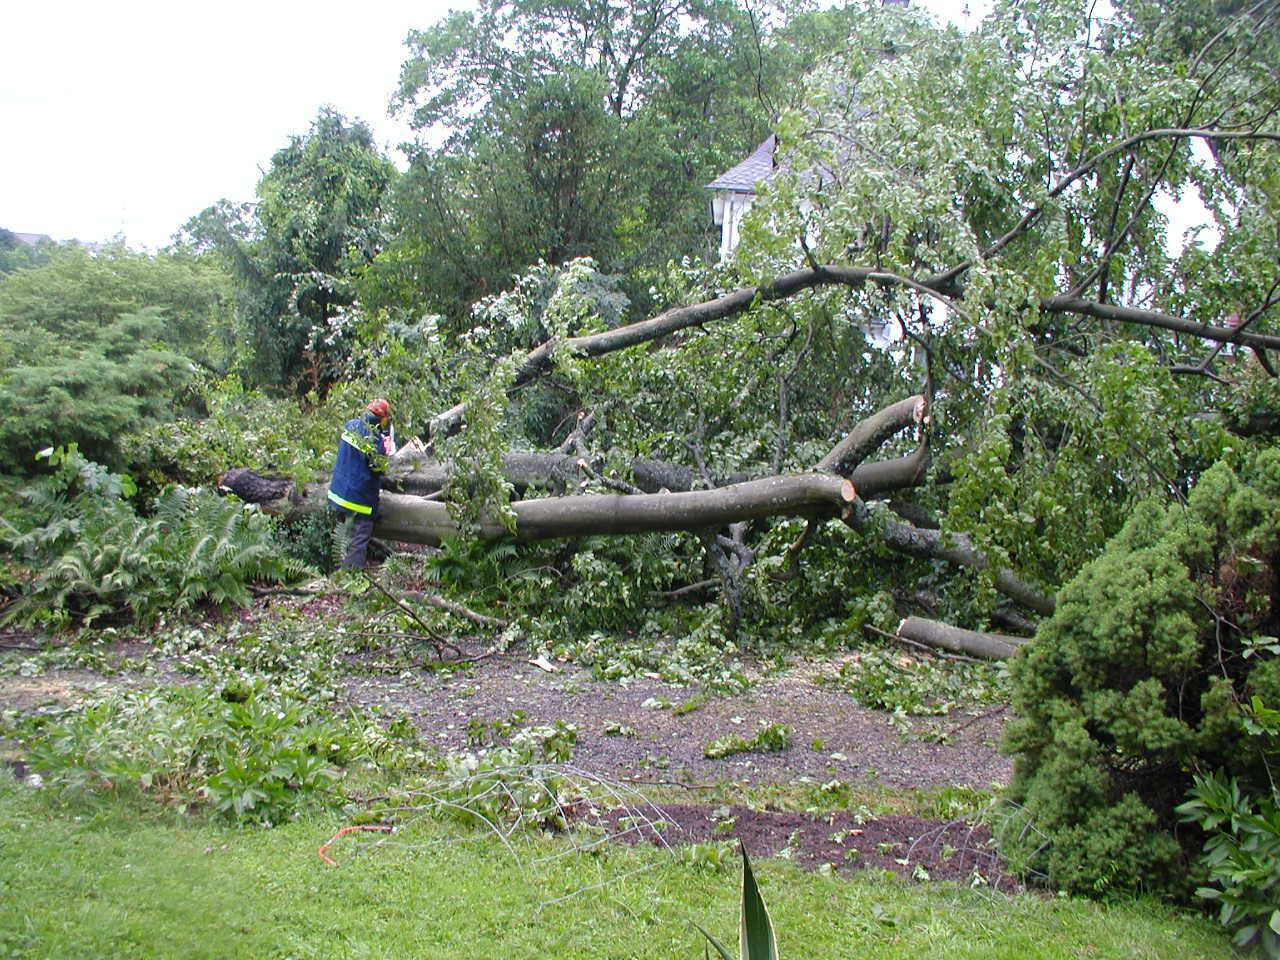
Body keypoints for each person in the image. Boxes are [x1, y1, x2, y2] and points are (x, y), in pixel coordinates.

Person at [327, 398, 395, 568]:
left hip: (339, 494)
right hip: (358, 500)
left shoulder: (351, 424)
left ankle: (340, 572)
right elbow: (378, 467)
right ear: (382, 418)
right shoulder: (373, 437)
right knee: (359, 541)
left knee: (344, 539)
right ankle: (352, 577)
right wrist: (386, 448)